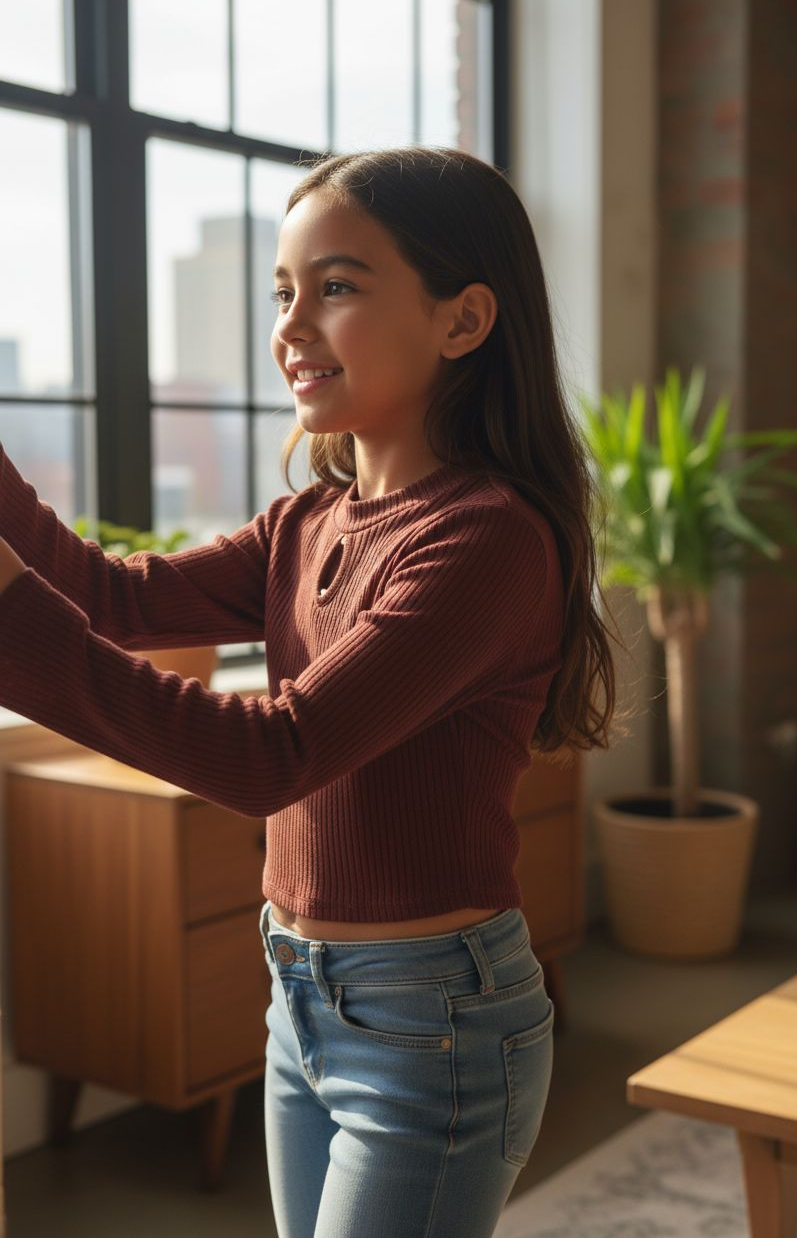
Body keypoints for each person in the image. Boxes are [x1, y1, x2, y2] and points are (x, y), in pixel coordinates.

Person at [0, 146, 623, 1237]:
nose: (289, 325)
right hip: (301, 998)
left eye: (334, 287)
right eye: (284, 292)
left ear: (462, 321)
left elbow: (271, 756)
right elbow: (109, 595)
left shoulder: (485, 542)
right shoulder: (306, 522)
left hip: (429, 1019)